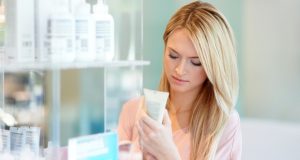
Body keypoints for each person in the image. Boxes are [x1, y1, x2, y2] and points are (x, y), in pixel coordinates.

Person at [118, 1, 242, 160]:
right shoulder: (133, 111)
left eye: (196, 62)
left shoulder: (224, 125)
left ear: (213, 67)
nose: (180, 70)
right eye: (173, 56)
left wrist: (168, 154)